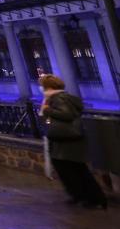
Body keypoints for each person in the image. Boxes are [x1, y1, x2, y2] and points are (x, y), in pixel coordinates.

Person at [40, 75, 107, 209]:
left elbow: (67, 114)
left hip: (68, 141)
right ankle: (78, 195)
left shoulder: (60, 99)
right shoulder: (53, 98)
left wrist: (47, 110)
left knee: (77, 170)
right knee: (67, 170)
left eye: (42, 86)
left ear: (48, 87)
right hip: (61, 140)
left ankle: (95, 199)